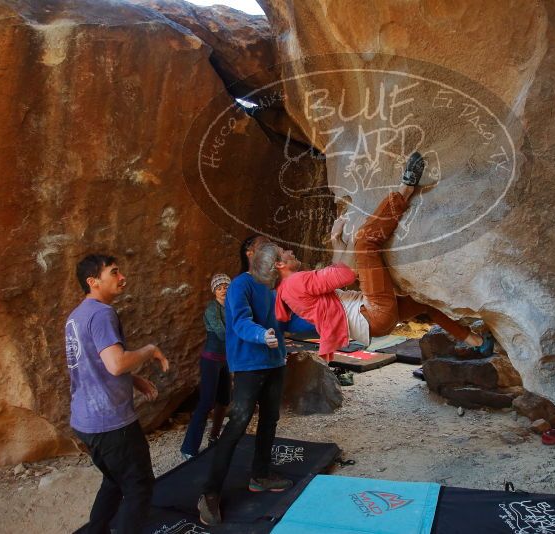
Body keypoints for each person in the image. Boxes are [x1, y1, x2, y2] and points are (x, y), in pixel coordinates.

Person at [255, 152, 490, 361]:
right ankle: (404, 191)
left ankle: (476, 341)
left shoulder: (288, 289)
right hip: (373, 313)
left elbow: (335, 272)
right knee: (366, 241)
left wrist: (337, 240)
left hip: (375, 321)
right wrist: (351, 243)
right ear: (279, 263)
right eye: (284, 251)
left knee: (424, 305)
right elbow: (346, 274)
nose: (291, 251)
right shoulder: (296, 282)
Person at [197, 236, 315, 526]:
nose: (274, 250)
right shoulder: (241, 284)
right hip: (250, 364)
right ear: (250, 253)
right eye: (266, 247)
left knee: (270, 419)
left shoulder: (272, 286)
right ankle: (209, 493)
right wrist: (261, 335)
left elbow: (288, 321)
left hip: (275, 362)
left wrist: (321, 323)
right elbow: (239, 320)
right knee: (237, 424)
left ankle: (260, 476)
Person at [66, 254, 169, 534]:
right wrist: (149, 351)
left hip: (85, 420)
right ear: (93, 282)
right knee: (139, 487)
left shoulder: (76, 316)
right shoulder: (102, 314)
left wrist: (132, 379)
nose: (122, 277)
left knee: (114, 480)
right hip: (110, 422)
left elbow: (93, 364)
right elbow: (115, 363)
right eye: (114, 272)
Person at [180, 273, 232, 460]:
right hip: (211, 359)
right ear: (214, 292)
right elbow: (221, 333)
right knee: (206, 402)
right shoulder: (212, 308)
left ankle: (214, 436)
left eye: (226, 286)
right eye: (219, 287)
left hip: (224, 360)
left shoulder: (233, 306)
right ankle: (188, 448)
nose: (223, 289)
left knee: (224, 400)